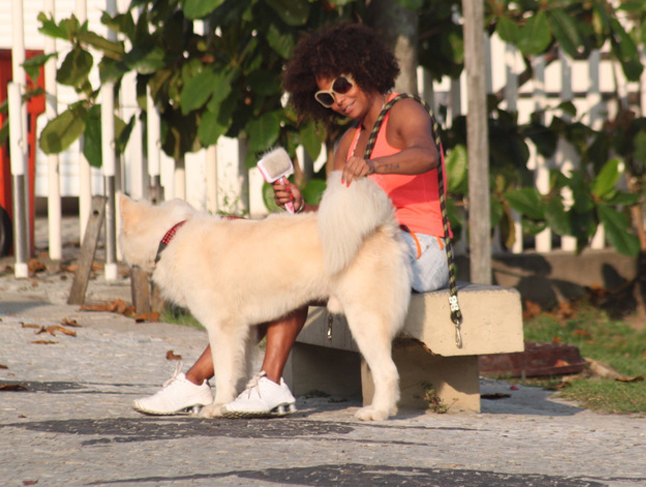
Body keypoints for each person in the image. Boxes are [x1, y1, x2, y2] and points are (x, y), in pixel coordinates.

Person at [132, 22, 450, 417]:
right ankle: (257, 383)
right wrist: (302, 208)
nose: (336, 99)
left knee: (291, 271)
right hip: (368, 246)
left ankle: (207, 381)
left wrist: (373, 164)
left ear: (364, 70)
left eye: (342, 85)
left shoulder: (403, 110)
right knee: (279, 272)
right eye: (325, 95)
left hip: (420, 248)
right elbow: (338, 218)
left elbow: (426, 154)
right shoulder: (346, 142)